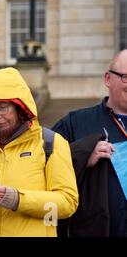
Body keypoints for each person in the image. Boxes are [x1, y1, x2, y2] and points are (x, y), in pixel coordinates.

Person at [0, 67, 78, 237]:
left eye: (2, 107)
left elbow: (67, 204)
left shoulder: (51, 143)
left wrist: (18, 200)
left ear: (19, 107)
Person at [52, 49, 127, 237]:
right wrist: (82, 154)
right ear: (108, 79)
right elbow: (41, 165)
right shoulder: (75, 122)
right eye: (126, 77)